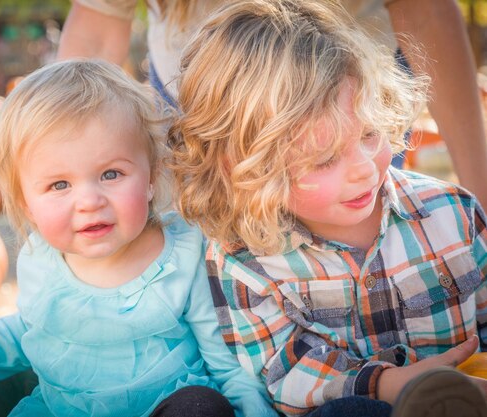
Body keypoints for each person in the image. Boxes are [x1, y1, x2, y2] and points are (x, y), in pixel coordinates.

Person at [0, 59, 275, 417]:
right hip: (64, 410)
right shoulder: (41, 260)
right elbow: (26, 331)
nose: (90, 201)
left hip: (163, 406)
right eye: (60, 184)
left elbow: (225, 358)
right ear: (26, 204)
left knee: (202, 406)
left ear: (152, 176)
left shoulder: (185, 254)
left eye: (111, 174)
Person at [168, 1, 487, 416]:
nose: (362, 169)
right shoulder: (245, 262)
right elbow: (285, 375)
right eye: (323, 160)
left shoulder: (453, 213)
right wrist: (387, 385)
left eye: (370, 134)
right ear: (245, 168)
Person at [57, 0, 487, 210]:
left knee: (356, 247)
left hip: (344, 93)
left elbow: (426, 9)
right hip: (204, 104)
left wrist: (479, 188)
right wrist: (64, 170)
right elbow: (96, 29)